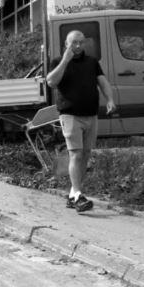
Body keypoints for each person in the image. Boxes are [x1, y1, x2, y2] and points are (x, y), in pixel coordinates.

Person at [46, 30, 116, 213]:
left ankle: (72, 195)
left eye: (81, 42)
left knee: (85, 154)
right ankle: (78, 194)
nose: (78, 46)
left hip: (90, 115)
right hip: (70, 115)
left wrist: (110, 99)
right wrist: (65, 60)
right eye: (74, 43)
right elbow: (51, 82)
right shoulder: (57, 62)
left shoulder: (92, 62)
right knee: (76, 154)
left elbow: (103, 82)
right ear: (66, 45)